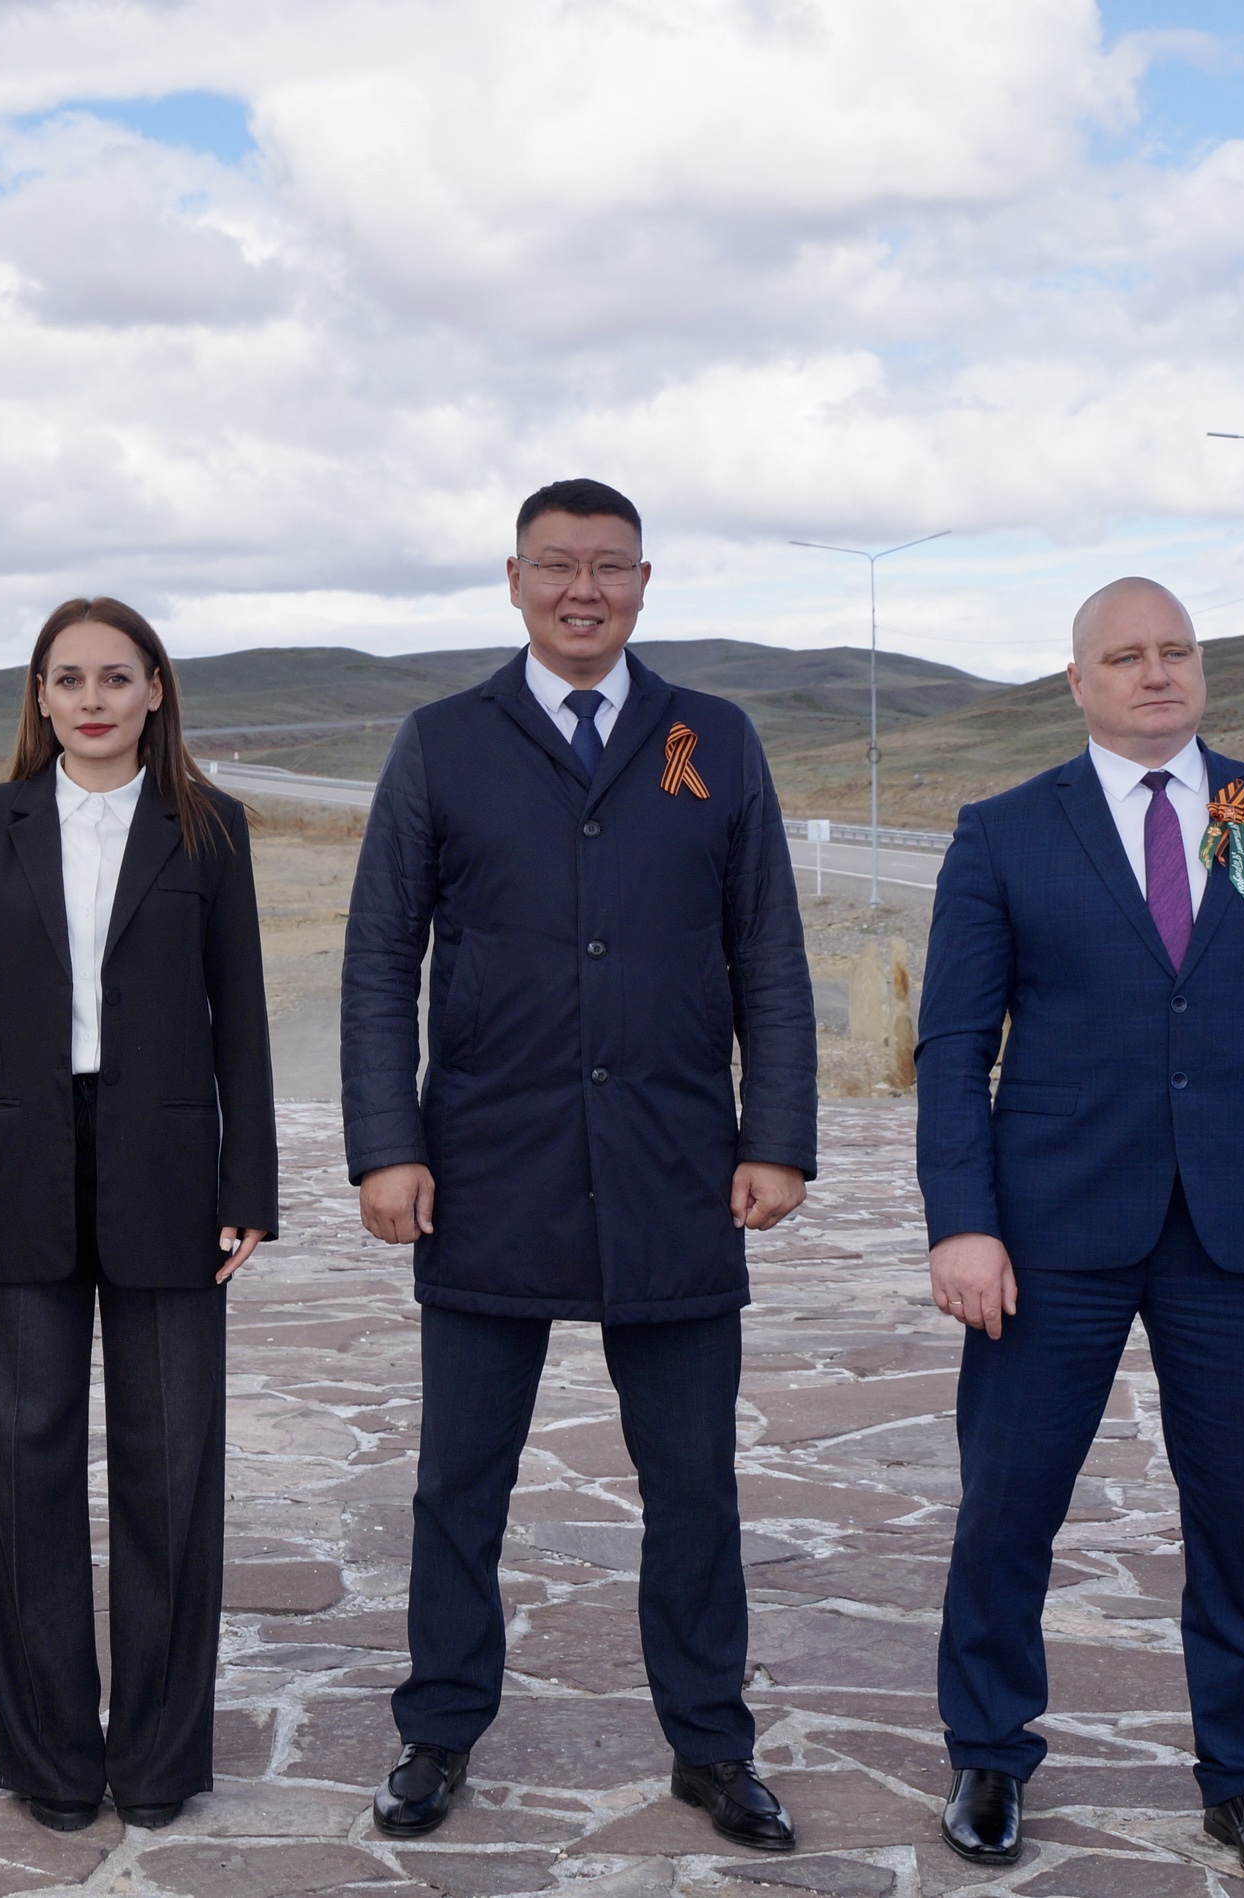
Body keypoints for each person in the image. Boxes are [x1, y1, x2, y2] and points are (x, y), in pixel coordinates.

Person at [342, 479, 817, 1848]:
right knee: (460, 1482)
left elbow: (768, 949)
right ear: (514, 580)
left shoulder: (714, 738)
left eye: (609, 566)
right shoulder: (442, 741)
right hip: (489, 1165)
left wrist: (777, 1135)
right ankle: (438, 1730)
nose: (583, 590)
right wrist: (388, 1144)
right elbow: (379, 958)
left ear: (644, 584)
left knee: (694, 1482)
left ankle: (711, 1744)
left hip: (675, 1167)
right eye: (557, 565)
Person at [917, 577, 1244, 1889]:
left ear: (1201, 668)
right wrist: (962, 1223)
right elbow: (953, 1047)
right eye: (1124, 655)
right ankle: (989, 1753)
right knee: (1009, 1507)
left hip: (1238, 1231)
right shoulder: (1005, 831)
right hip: (1048, 1231)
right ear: (1077, 680)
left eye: (1175, 650)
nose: (1155, 671)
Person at [0, 598, 277, 1834]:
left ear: (156, 689)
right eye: (67, 678)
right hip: (19, 1168)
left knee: (171, 1470)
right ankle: (51, 1761)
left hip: (168, 1173)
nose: (92, 699)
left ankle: (160, 1758)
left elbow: (241, 1013)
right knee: (25, 1469)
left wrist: (248, 1184)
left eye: (116, 676)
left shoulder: (207, 824)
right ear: (40, 696)